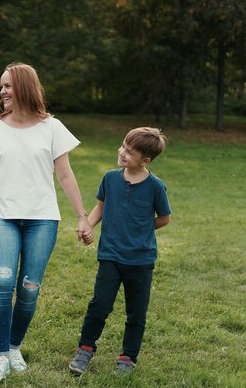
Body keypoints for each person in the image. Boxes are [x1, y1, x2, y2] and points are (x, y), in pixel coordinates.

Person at [0, 62, 93, 381]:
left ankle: (14, 347)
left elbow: (65, 175)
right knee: (2, 281)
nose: (2, 91)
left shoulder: (52, 128)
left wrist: (83, 217)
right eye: (1, 86)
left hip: (43, 220)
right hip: (3, 218)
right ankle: (0, 355)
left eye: (8, 86)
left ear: (24, 87)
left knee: (28, 289)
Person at [68, 127, 171, 376]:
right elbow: (100, 208)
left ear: (145, 160)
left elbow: (165, 218)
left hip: (141, 260)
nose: (122, 152)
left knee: (136, 312)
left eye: (130, 151)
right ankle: (85, 349)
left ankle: (127, 357)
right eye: (123, 146)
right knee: (99, 304)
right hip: (110, 256)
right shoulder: (110, 178)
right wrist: (87, 226)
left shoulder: (156, 186)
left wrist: (141, 230)